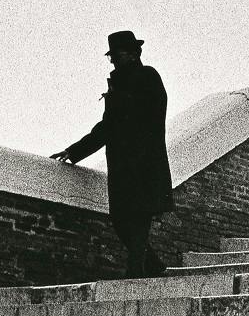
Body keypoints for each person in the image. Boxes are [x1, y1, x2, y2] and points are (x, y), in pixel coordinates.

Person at [52, 30, 174, 279]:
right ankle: (152, 266)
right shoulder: (118, 84)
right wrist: (75, 150)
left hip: (144, 164)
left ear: (133, 54)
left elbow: (146, 115)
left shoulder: (148, 76)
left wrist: (119, 97)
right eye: (112, 57)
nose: (113, 61)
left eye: (117, 56)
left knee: (138, 218)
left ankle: (135, 272)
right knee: (120, 219)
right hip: (121, 166)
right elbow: (107, 127)